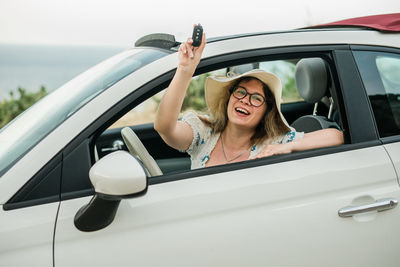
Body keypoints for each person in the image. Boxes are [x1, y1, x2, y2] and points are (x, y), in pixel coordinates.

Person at [154, 27, 344, 169]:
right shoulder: (203, 132)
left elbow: (336, 136)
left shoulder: (275, 142)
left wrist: (287, 148)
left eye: (256, 98)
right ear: (229, 98)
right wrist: (185, 70)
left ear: (266, 111)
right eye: (240, 92)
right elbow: (164, 127)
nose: (245, 100)